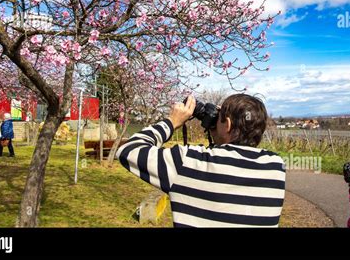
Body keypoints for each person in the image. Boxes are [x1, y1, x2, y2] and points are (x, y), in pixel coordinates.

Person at [116, 94, 285, 227]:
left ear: (227, 124)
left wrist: (172, 122)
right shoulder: (276, 167)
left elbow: (128, 150)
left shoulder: (187, 162)